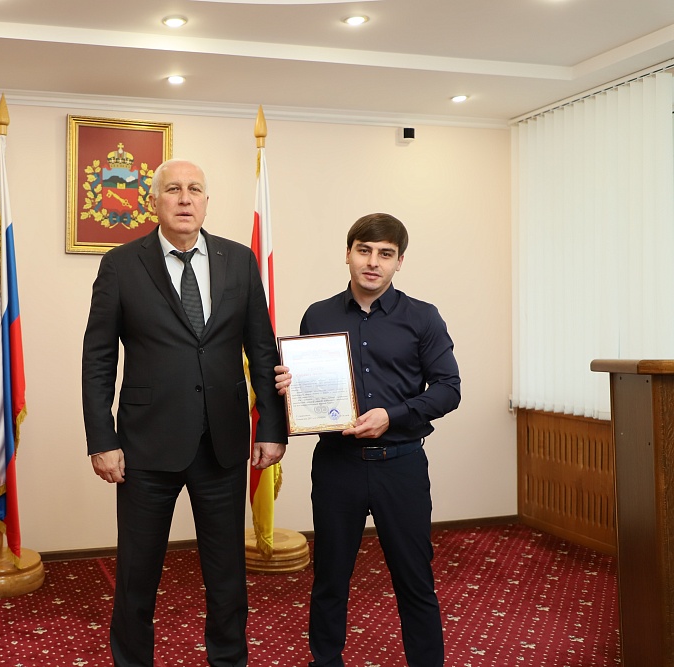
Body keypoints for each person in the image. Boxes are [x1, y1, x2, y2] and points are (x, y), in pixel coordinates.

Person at [82, 159, 289, 667]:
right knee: (137, 576)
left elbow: (262, 350)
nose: (184, 198)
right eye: (172, 189)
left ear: (206, 201)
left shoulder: (239, 260)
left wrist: (272, 426)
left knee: (227, 576)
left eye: (194, 189)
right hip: (145, 446)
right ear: (154, 202)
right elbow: (98, 358)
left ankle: (228, 660)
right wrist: (102, 438)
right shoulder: (121, 265)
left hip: (223, 444)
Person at [275, 213, 461, 667]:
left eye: (385, 254)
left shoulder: (423, 317)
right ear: (348, 254)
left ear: (399, 262)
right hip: (337, 464)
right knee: (330, 578)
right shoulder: (318, 314)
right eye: (364, 250)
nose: (373, 262)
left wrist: (391, 416)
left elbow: (448, 389)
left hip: (401, 464)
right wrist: (290, 387)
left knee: (414, 579)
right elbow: (311, 387)